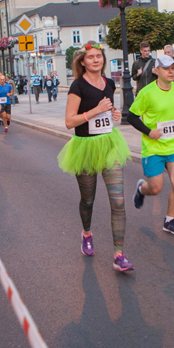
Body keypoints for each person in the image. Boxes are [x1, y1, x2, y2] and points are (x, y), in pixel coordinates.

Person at [58, 42, 132, 272]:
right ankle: (87, 233)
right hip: (86, 147)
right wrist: (95, 111)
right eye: (90, 57)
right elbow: (69, 121)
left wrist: (113, 113)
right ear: (82, 61)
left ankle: (119, 254)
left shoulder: (109, 83)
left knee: (118, 201)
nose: (95, 60)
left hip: (109, 144)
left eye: (98, 56)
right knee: (88, 200)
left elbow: (107, 111)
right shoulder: (77, 86)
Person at [128, 55, 174, 236]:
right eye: (166, 68)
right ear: (156, 71)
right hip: (153, 148)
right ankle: (141, 189)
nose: (171, 71)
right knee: (155, 188)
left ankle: (169, 221)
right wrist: (149, 132)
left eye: (173, 68)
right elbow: (132, 116)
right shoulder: (146, 93)